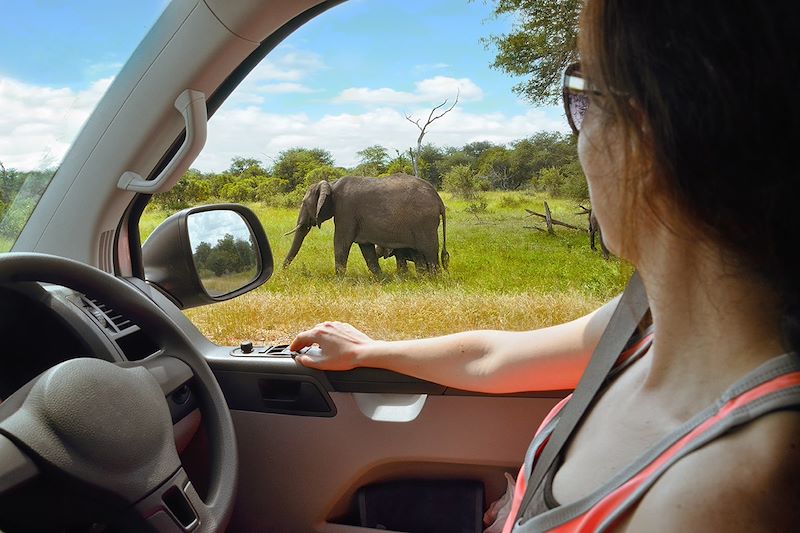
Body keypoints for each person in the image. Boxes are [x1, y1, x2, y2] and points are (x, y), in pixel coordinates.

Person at [290, 0, 800, 530]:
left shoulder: (732, 493)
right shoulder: (648, 320)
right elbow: (494, 355)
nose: (578, 137)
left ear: (651, 134)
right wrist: (372, 351)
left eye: (582, 94)